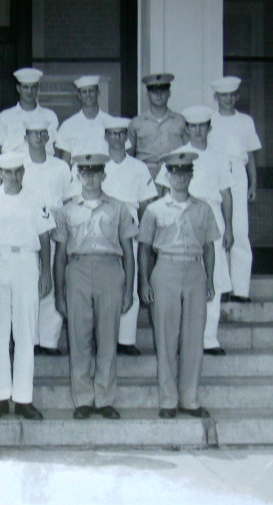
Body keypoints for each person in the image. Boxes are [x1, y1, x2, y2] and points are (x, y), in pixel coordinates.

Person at [53, 154, 136, 421]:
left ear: (104, 175)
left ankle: (105, 398)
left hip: (110, 269)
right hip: (77, 270)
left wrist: (129, 289)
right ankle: (84, 399)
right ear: (78, 176)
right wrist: (59, 290)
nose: (90, 178)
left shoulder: (119, 208)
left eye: (95, 173)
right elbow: (60, 254)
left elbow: (129, 251)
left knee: (108, 337)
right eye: (85, 173)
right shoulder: (67, 210)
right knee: (79, 338)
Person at [0, 151, 54, 421]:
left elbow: (44, 238)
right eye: (9, 172)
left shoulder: (34, 198)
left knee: (25, 332)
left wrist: (46, 273)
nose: (14, 176)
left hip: (26, 264)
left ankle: (23, 398)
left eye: (18, 171)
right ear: (0, 173)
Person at [138, 151, 218, 419]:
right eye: (174, 172)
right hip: (166, 269)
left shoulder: (203, 208)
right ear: (166, 176)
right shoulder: (154, 209)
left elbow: (209, 247)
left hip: (194, 269)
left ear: (191, 175)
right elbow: (145, 249)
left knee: (194, 337)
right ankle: (168, 400)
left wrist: (209, 278)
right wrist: (144, 282)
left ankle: (190, 399)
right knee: (166, 336)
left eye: (185, 172)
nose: (180, 177)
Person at [155, 106, 233, 356]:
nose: (198, 131)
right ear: (187, 129)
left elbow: (226, 195)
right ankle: (181, 339)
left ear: (209, 128)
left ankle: (209, 338)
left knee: (214, 278)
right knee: (180, 280)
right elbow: (160, 192)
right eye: (193, 126)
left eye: (203, 126)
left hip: (211, 217)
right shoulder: (176, 156)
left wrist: (229, 228)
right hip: (180, 215)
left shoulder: (220, 157)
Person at [97, 116, 157, 356]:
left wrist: (145, 231)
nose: (117, 138)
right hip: (102, 227)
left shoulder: (138, 167)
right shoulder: (99, 165)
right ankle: (103, 339)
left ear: (127, 138)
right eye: (113, 134)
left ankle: (126, 339)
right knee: (103, 283)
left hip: (130, 226)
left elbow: (145, 203)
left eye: (122, 134)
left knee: (128, 280)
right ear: (106, 137)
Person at [21, 118, 73, 355]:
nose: (39, 138)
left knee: (53, 277)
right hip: (28, 226)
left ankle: (49, 341)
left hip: (55, 222)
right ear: (26, 137)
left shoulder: (60, 167)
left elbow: (68, 199)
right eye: (34, 134)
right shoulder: (20, 164)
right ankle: (29, 340)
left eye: (43, 134)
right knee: (31, 281)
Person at [208, 76, 262, 303]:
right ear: (216, 97)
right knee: (218, 231)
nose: (228, 99)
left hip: (238, 176)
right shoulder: (209, 120)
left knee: (239, 231)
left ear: (237, 97)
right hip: (215, 176)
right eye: (223, 96)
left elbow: (249, 154)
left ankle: (240, 288)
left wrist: (254, 183)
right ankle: (222, 287)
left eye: (232, 95)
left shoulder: (246, 121)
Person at [55, 75, 129, 164]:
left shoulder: (111, 123)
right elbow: (65, 159)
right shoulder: (68, 125)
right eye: (84, 92)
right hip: (78, 174)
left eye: (91, 91)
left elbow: (123, 155)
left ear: (98, 93)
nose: (88, 95)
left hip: (106, 173)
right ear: (79, 95)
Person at [128, 73, 187, 180]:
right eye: (154, 91)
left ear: (169, 93)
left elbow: (188, 150)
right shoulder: (136, 123)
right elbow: (129, 155)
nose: (158, 95)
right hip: (145, 173)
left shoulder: (180, 121)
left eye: (163, 91)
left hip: (174, 172)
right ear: (147, 94)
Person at [0, 68, 58, 156]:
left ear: (38, 88)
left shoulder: (49, 116)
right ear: (18, 88)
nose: (29, 91)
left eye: (33, 87)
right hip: (14, 165)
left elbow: (55, 147)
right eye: (25, 87)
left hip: (43, 166)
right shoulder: (5, 117)